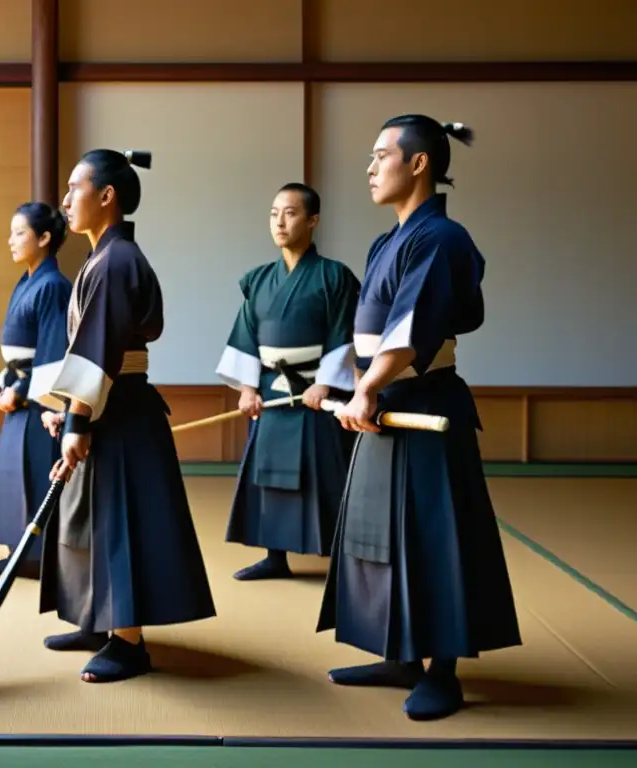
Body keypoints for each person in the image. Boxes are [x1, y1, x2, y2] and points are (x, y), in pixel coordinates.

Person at [316, 115, 521, 721]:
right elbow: (366, 331)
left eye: (382, 155)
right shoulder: (389, 241)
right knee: (380, 532)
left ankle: (443, 670)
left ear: (419, 163)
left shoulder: (440, 238)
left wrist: (368, 390)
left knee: (436, 536)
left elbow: (410, 332)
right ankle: (399, 653)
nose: (371, 167)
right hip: (381, 403)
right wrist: (356, 386)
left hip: (424, 402)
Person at [32, 148, 217, 683]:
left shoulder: (116, 261)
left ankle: (128, 641)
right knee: (89, 517)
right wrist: (68, 410)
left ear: (106, 196)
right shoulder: (101, 258)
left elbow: (100, 353)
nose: (65, 200)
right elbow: (89, 350)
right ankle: (98, 617)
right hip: (107, 404)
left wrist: (76, 421)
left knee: (121, 521)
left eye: (74, 188)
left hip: (122, 410)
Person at [216, 183, 359, 580]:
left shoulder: (335, 277)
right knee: (269, 477)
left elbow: (343, 332)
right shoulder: (259, 280)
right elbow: (245, 334)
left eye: (291, 213)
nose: (280, 221)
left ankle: (343, 561)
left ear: (313, 220)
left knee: (327, 476)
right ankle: (273, 556)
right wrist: (247, 388)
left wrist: (326, 385)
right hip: (272, 393)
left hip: (315, 395)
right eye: (274, 213)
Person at [0, 202, 72, 580]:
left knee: (35, 474)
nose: (11, 241)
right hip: (20, 394)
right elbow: (22, 352)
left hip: (41, 404)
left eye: (19, 233)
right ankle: (16, 551)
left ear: (45, 238)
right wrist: (6, 384)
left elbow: (51, 353)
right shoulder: (29, 281)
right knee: (9, 474)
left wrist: (20, 391)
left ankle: (38, 556)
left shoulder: (53, 286)